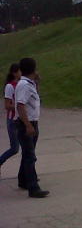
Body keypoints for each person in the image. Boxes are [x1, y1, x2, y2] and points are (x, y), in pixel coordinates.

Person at [14, 58, 48, 198]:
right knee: (30, 156)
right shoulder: (23, 85)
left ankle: (23, 180)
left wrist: (37, 82)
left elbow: (35, 98)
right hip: (26, 124)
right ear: (33, 69)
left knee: (28, 153)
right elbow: (20, 105)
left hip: (32, 122)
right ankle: (33, 187)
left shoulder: (29, 83)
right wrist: (28, 125)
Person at [0, 63, 21, 175]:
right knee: (14, 148)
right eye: (19, 71)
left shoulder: (21, 84)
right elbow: (7, 105)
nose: (21, 73)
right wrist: (20, 107)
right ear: (14, 73)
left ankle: (28, 174)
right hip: (12, 120)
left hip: (21, 119)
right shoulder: (10, 86)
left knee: (28, 149)